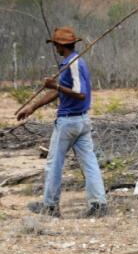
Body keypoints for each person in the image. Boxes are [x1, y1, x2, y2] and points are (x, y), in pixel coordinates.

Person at [16, 27, 108, 218]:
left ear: (60, 45)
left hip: (69, 122)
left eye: (56, 44)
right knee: (89, 163)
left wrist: (54, 84)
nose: (55, 48)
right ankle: (98, 204)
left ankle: (50, 207)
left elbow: (79, 92)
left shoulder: (73, 63)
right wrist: (33, 106)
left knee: (54, 163)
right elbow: (59, 91)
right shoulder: (73, 61)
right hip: (82, 121)